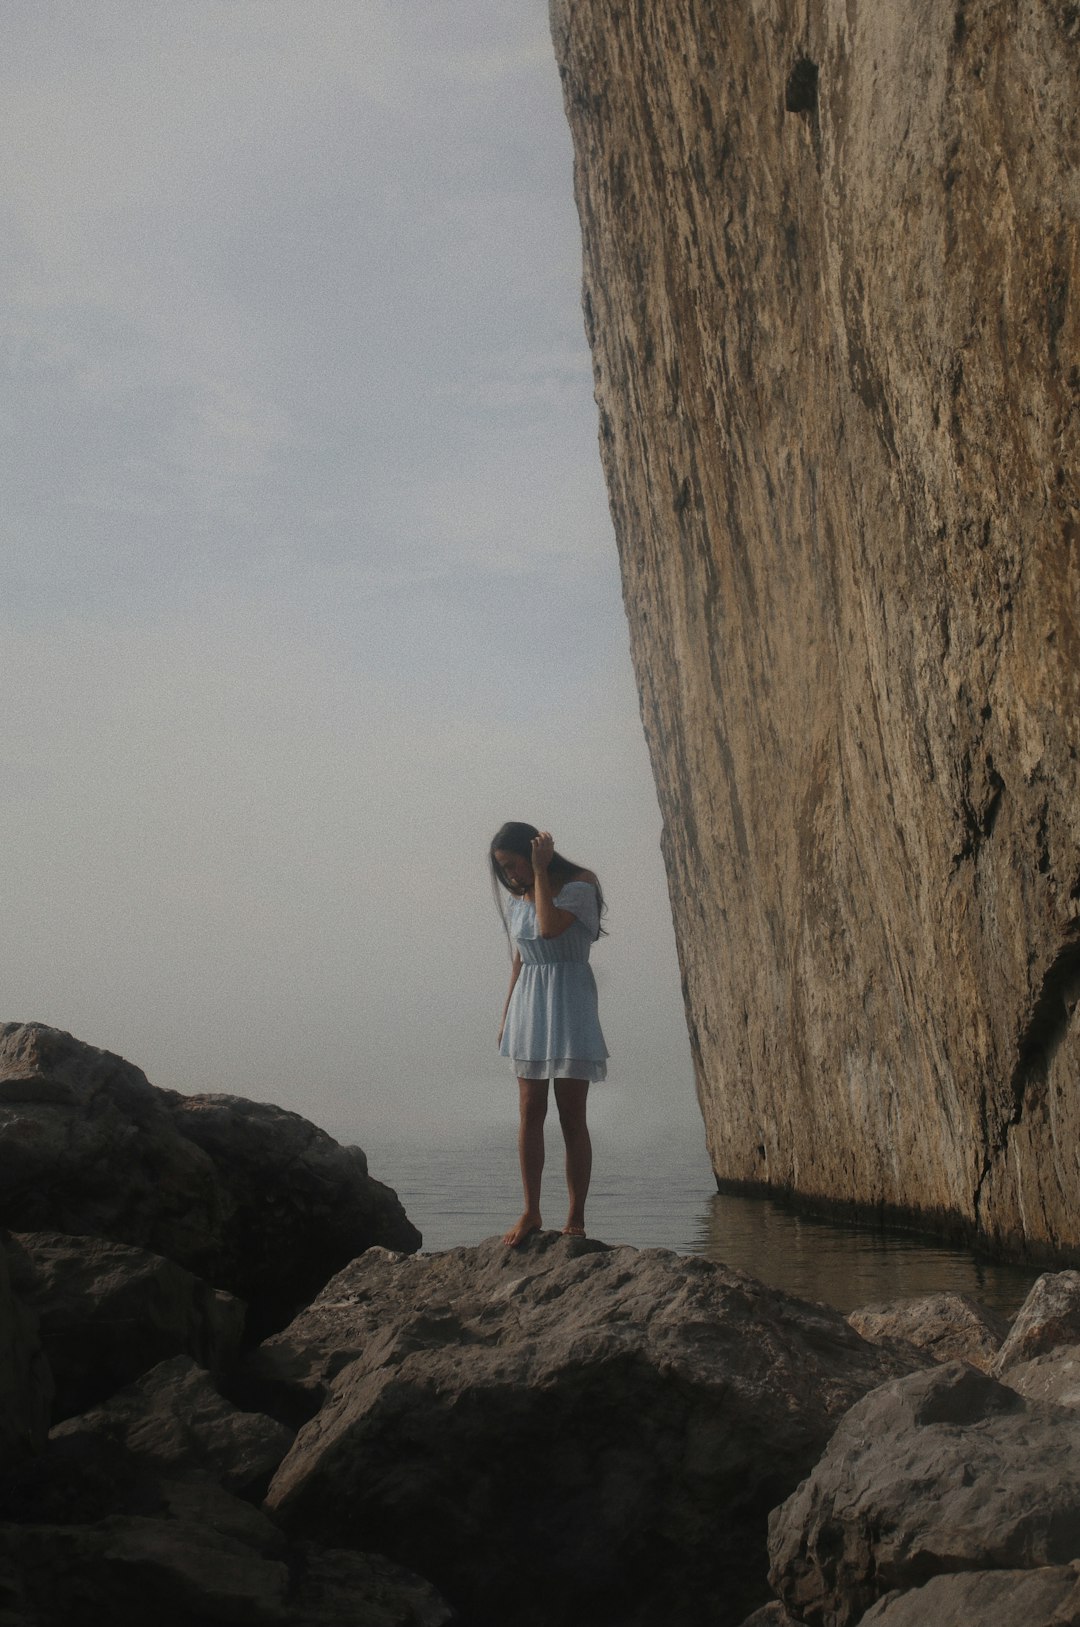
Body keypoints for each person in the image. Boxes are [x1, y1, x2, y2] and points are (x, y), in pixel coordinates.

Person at [489, 821, 609, 1247]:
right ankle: (532, 1209)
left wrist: (539, 874)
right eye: (503, 870)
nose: (510, 876)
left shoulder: (579, 883)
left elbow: (549, 928)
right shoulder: (518, 898)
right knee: (529, 1109)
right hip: (530, 1002)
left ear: (533, 852)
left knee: (571, 1111)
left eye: (513, 865)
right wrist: (506, 1017)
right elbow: (520, 960)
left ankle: (575, 1215)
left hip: (570, 999)